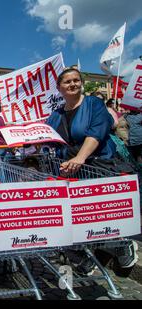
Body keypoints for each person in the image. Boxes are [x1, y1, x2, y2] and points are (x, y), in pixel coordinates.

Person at [46, 68, 138, 274]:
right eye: (67, 81)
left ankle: (122, 247)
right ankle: (87, 258)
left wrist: (80, 157)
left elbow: (97, 132)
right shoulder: (56, 115)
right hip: (70, 173)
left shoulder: (93, 105)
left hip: (98, 167)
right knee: (73, 220)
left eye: (76, 80)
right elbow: (46, 137)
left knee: (100, 218)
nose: (73, 84)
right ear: (59, 87)